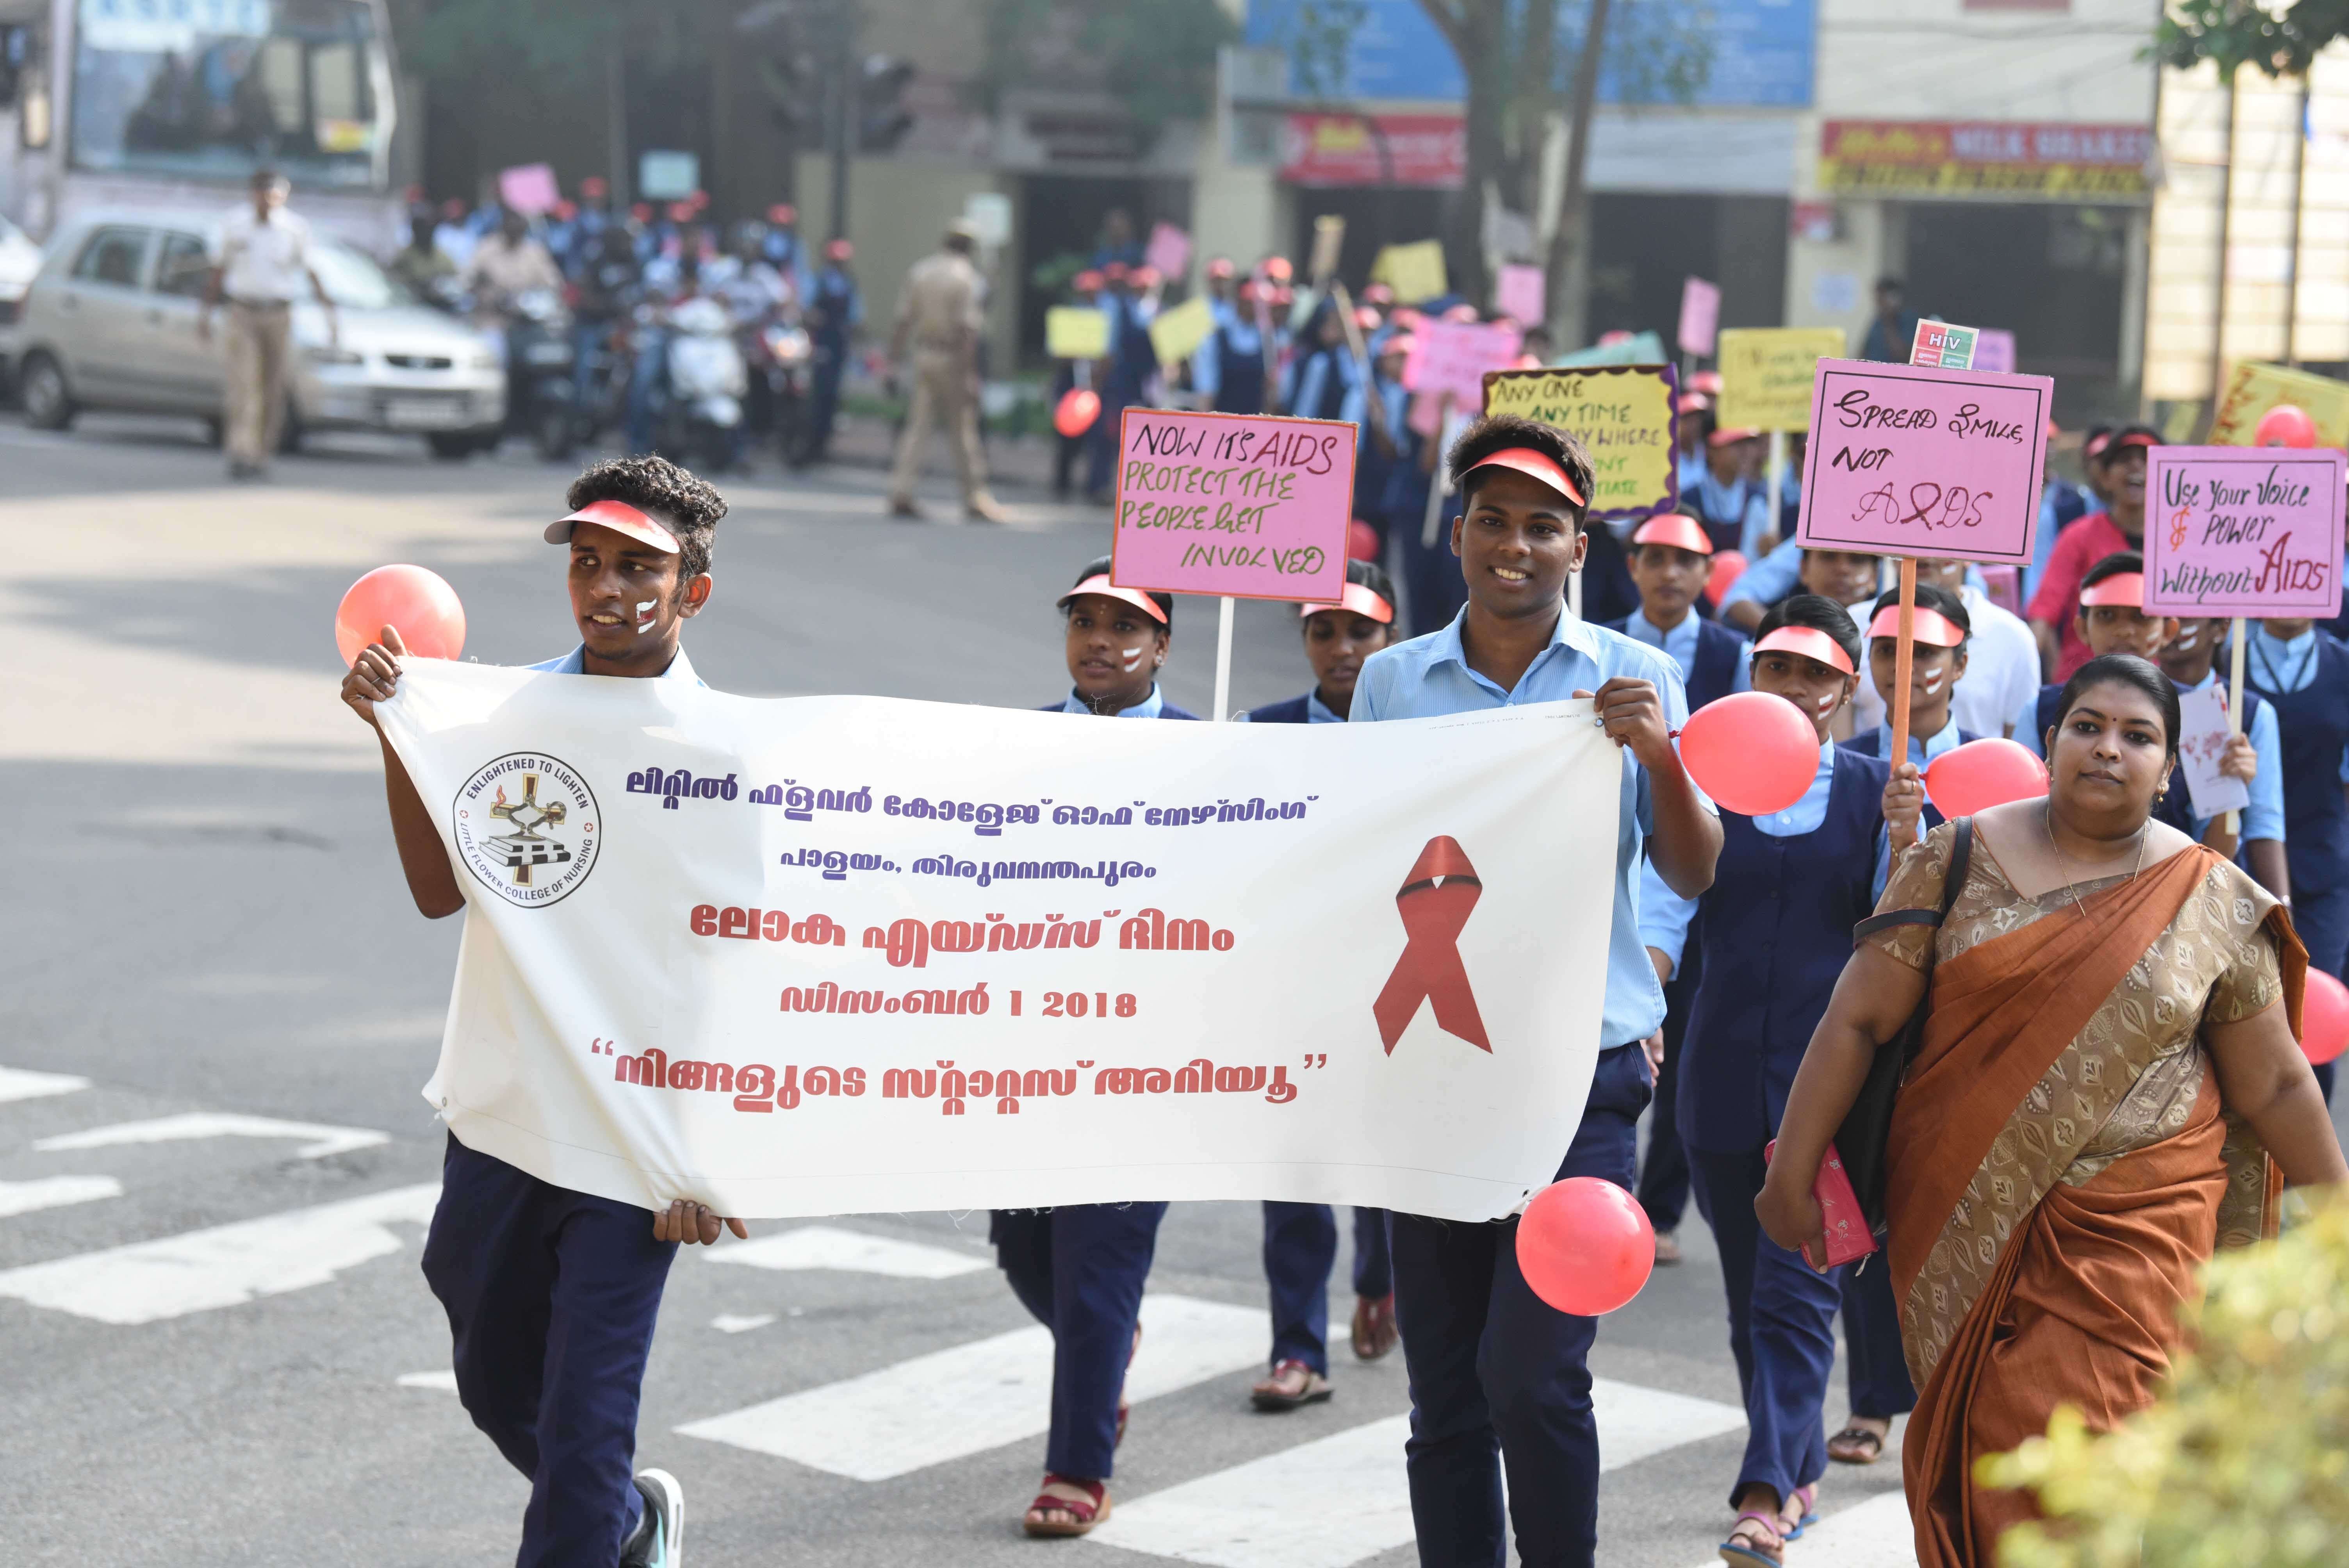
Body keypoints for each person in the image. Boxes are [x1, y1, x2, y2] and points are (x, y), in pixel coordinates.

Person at [1758, 652, 2346, 1568]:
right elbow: (1856, 1020)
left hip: (2134, 1239)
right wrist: (1789, 1174)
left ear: (2167, 767)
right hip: (1958, 1211)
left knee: (2070, 1465)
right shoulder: (1953, 856)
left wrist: (2335, 1238)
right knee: (1979, 1456)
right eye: (2087, 726)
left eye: (2137, 736)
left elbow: (2272, 1084)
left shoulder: (2209, 899)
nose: (2107, 748)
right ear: (2048, 741)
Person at [339, 454, 744, 1568]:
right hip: (504, 1112)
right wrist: (396, 731)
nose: (606, 587)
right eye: (588, 562)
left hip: (632, 1147)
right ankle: (626, 1520)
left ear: (694, 591)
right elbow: (438, 891)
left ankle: (592, 1517)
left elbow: (741, 967)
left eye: (639, 568)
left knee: (583, 1424)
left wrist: (711, 1154)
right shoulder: (505, 712)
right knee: (490, 1377)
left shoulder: (725, 755)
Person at [1352, 414, 1723, 1568]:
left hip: (1580, 1073)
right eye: (1492, 521)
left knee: (1533, 1371)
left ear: (1579, 547)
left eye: (1541, 527)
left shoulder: (1637, 676)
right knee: (1446, 1393)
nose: (1514, 545)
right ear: (1458, 532)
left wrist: (1658, 755)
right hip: (1433, 1071)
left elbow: (1692, 869)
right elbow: (1350, 859)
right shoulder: (1392, 681)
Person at [1640, 594, 1918, 1565]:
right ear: (1750, 675)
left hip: (1832, 1086)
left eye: (1817, 674)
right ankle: (1796, 1463)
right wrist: (1642, 999)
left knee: (1796, 1288)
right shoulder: (1706, 778)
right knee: (1746, 1291)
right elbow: (1664, 904)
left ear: (1848, 688)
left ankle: (1762, 1491)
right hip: (1717, 1074)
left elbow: (1902, 931)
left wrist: (1908, 840)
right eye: (1777, 669)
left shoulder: (1880, 789)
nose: (1795, 689)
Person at [998, 557, 1193, 1540]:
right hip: (1031, 1049)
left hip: (1143, 1059)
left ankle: (1076, 1467)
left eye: (1126, 626)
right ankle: (1107, 1344)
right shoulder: (1017, 745)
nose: (1102, 641)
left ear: (1162, 646)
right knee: (1023, 1246)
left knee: (1097, 1262)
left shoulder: (1214, 756)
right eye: (1085, 622)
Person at [1236, 561, 1405, 1394]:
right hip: (1293, 985)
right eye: (1322, 631)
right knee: (1293, 1172)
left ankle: (1380, 1277)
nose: (1341, 648)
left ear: (1390, 636)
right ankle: (1298, 1348)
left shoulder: (1425, 732)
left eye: (1359, 631)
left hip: (1396, 982)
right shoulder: (1260, 732)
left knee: (1380, 1161)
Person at [1611, 513, 1749, 1264]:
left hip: (1699, 866)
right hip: (1611, 864)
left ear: (1707, 572)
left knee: (1685, 1040)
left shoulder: (1733, 656)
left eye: (1685, 561)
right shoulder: (1597, 645)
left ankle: (1658, 1206)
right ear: (1632, 565)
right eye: (1656, 558)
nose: (1670, 574)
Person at [2245, 616, 2349, 1099]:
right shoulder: (2225, 661)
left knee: (2313, 1012)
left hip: (2324, 868)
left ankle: (2312, 1141)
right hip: (2243, 870)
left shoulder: (2342, 666)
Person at [198, 167, 337, 481]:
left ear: (283, 196)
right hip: (242, 312)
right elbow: (218, 271)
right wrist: (205, 314)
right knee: (243, 386)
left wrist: (329, 314)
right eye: (263, 193)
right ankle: (241, 452)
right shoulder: (235, 225)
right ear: (253, 195)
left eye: (274, 195)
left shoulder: (295, 229)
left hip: (278, 314)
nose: (268, 200)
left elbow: (311, 271)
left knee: (273, 388)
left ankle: (261, 453)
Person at [2154, 615, 2288, 897]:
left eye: (2185, 617)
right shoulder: (2127, 700)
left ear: (2223, 628)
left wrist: (2282, 906)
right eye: (2160, 616)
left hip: (2204, 889)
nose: (2172, 626)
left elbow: (2263, 825)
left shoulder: (2247, 713)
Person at [888, 220, 1002, 521]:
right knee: (963, 431)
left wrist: (893, 361)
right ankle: (975, 496)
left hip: (924, 352)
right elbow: (968, 331)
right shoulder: (967, 278)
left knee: (918, 427)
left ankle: (901, 490)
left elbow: (902, 321)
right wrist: (971, 374)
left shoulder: (921, 271)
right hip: (952, 358)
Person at [2025, 427, 2158, 681]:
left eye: (2147, 459)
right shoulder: (2078, 536)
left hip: (2158, 688)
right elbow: (2045, 611)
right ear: (2105, 478)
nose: (2136, 467)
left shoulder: (2180, 543)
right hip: (2084, 683)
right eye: (2125, 460)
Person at [1846, 583, 1979, 779]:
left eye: (1924, 652)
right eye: (1887, 650)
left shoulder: (1989, 766)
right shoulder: (1842, 768)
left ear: (1960, 665)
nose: (1902, 665)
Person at [805, 237, 862, 463]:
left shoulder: (849, 284)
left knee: (832, 394)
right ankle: (810, 441)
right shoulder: (818, 281)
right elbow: (807, 308)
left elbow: (856, 315)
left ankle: (824, 442)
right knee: (818, 391)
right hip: (821, 341)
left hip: (839, 342)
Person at [1686, 426, 1773, 557]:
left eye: (1749, 444)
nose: (1745, 452)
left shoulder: (1758, 500)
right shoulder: (1689, 500)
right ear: (1711, 451)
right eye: (1736, 445)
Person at [389, 209, 457, 301]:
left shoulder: (442, 256)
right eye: (422, 228)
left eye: (430, 228)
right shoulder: (404, 257)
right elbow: (394, 283)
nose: (427, 232)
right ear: (415, 230)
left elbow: (454, 277)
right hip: (413, 302)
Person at [1859, 277, 1919, 363]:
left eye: (1882, 298)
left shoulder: (1909, 320)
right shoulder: (1878, 321)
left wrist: (1889, 322)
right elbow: (1864, 352)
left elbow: (1903, 355)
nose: (1879, 303)